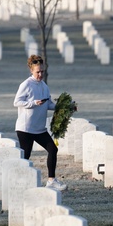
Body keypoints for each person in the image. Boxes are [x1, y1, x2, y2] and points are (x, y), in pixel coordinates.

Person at [13, 54, 66, 191]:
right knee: (26, 156)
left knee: (53, 149)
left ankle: (51, 180)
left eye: (42, 71)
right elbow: (17, 102)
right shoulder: (26, 84)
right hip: (25, 128)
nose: (40, 74)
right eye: (38, 72)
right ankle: (19, 183)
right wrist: (33, 103)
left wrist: (64, 106)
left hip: (40, 128)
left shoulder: (44, 86)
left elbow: (48, 104)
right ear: (31, 70)